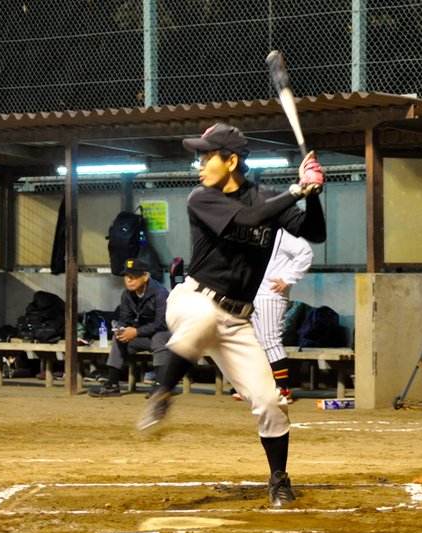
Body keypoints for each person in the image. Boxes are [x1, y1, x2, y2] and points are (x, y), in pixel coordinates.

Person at [136, 122, 326, 507]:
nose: (200, 165)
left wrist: (315, 194)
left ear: (232, 161)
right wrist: (296, 190)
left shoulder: (266, 196)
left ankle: (278, 479)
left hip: (239, 320)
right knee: (203, 319)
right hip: (193, 300)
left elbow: (315, 231)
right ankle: (161, 393)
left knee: (271, 402)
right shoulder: (201, 198)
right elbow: (248, 220)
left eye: (207, 157)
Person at [231, 228, 313, 404]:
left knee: (270, 340)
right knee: (258, 342)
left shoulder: (282, 232)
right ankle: (260, 389)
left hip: (271, 295)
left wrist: (288, 279)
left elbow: (306, 253)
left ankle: (283, 390)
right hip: (255, 294)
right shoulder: (256, 231)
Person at [89, 258, 170, 397]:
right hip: (145, 335)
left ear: (145, 277)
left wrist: (136, 331)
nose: (129, 280)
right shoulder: (127, 294)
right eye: (127, 276)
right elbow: (125, 319)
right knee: (119, 338)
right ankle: (112, 385)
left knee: (159, 337)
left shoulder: (160, 293)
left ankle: (160, 386)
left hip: (167, 336)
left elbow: (162, 323)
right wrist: (120, 329)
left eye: (134, 276)